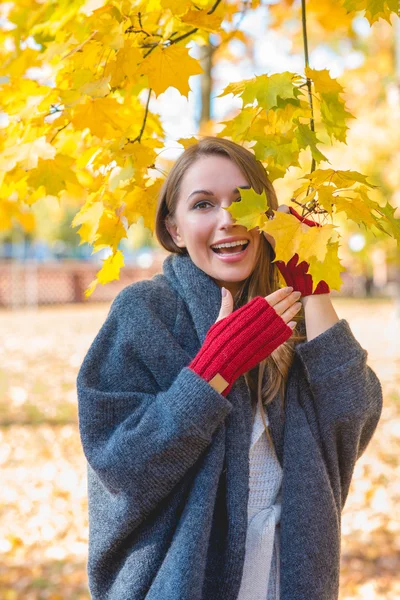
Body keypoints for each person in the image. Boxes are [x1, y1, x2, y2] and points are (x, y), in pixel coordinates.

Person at [77, 136, 383, 600]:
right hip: (186, 581)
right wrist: (208, 376)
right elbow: (118, 465)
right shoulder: (146, 311)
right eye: (203, 204)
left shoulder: (291, 315)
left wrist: (316, 290)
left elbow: (352, 422)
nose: (227, 220)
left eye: (244, 202)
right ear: (175, 228)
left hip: (287, 577)